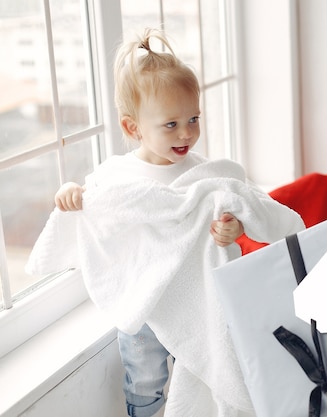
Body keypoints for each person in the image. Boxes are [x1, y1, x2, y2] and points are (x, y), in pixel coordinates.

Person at [52, 28, 304, 417]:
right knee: (145, 377)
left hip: (195, 299)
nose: (187, 133)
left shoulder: (206, 174)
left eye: (193, 119)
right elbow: (93, 201)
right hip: (145, 302)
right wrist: (70, 191)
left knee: (201, 372)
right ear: (132, 128)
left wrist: (235, 227)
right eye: (171, 125)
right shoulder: (118, 175)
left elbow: (243, 206)